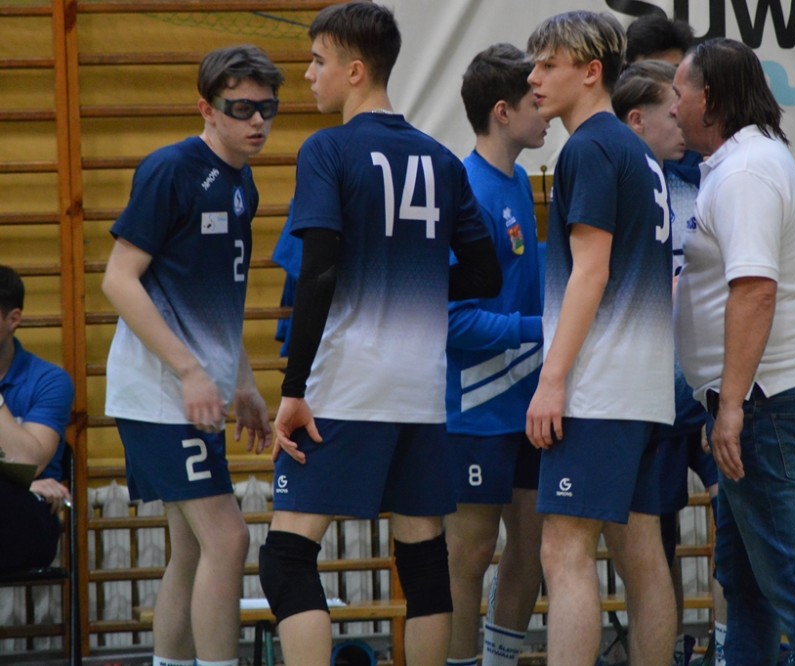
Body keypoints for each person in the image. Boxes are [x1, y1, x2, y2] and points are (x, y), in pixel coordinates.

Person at [256, 4, 501, 666]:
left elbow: (318, 271)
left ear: (356, 70)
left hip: (345, 384)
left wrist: (293, 387)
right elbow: (486, 273)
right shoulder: (442, 159)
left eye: (318, 61)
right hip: (419, 392)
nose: (308, 75)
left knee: (285, 559)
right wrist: (408, 281)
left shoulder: (328, 150)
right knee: (424, 561)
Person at [670, 38, 795, 665]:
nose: (673, 105)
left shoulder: (746, 172)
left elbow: (754, 291)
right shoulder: (746, 163)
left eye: (680, 92)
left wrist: (731, 406)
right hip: (767, 397)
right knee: (746, 582)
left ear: (710, 99)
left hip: (766, 400)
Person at [102, 45, 281, 666]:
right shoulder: (172, 170)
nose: (256, 122)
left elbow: (217, 301)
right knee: (228, 540)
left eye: (267, 109)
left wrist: (243, 381)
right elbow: (118, 279)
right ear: (206, 109)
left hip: (196, 392)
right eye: (241, 108)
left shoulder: (243, 182)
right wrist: (188, 371)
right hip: (160, 394)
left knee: (193, 550)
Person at [524, 11, 676, 665]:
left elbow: (591, 271)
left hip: (600, 387)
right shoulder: (638, 151)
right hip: (646, 388)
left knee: (563, 548)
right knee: (642, 553)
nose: (533, 78)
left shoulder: (588, 148)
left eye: (547, 65)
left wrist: (552, 378)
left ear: (591, 72)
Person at [445, 43, 548, 666]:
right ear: (503, 112)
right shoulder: (466, 191)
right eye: (536, 100)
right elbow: (451, 320)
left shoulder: (519, 182)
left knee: (533, 547)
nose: (547, 109)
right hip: (476, 408)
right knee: (470, 553)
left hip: (530, 402)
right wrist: (543, 329)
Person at [611, 59, 707, 666]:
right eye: (671, 112)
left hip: (714, 387)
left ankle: (728, 649)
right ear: (636, 120)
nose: (683, 121)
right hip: (648, 394)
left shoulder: (708, 180)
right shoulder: (615, 185)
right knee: (652, 542)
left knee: (741, 535)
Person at [0, 265, 74, 574]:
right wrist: (26, 483)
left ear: (13, 319)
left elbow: (29, 460)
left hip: (27, 520)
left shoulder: (50, 381)